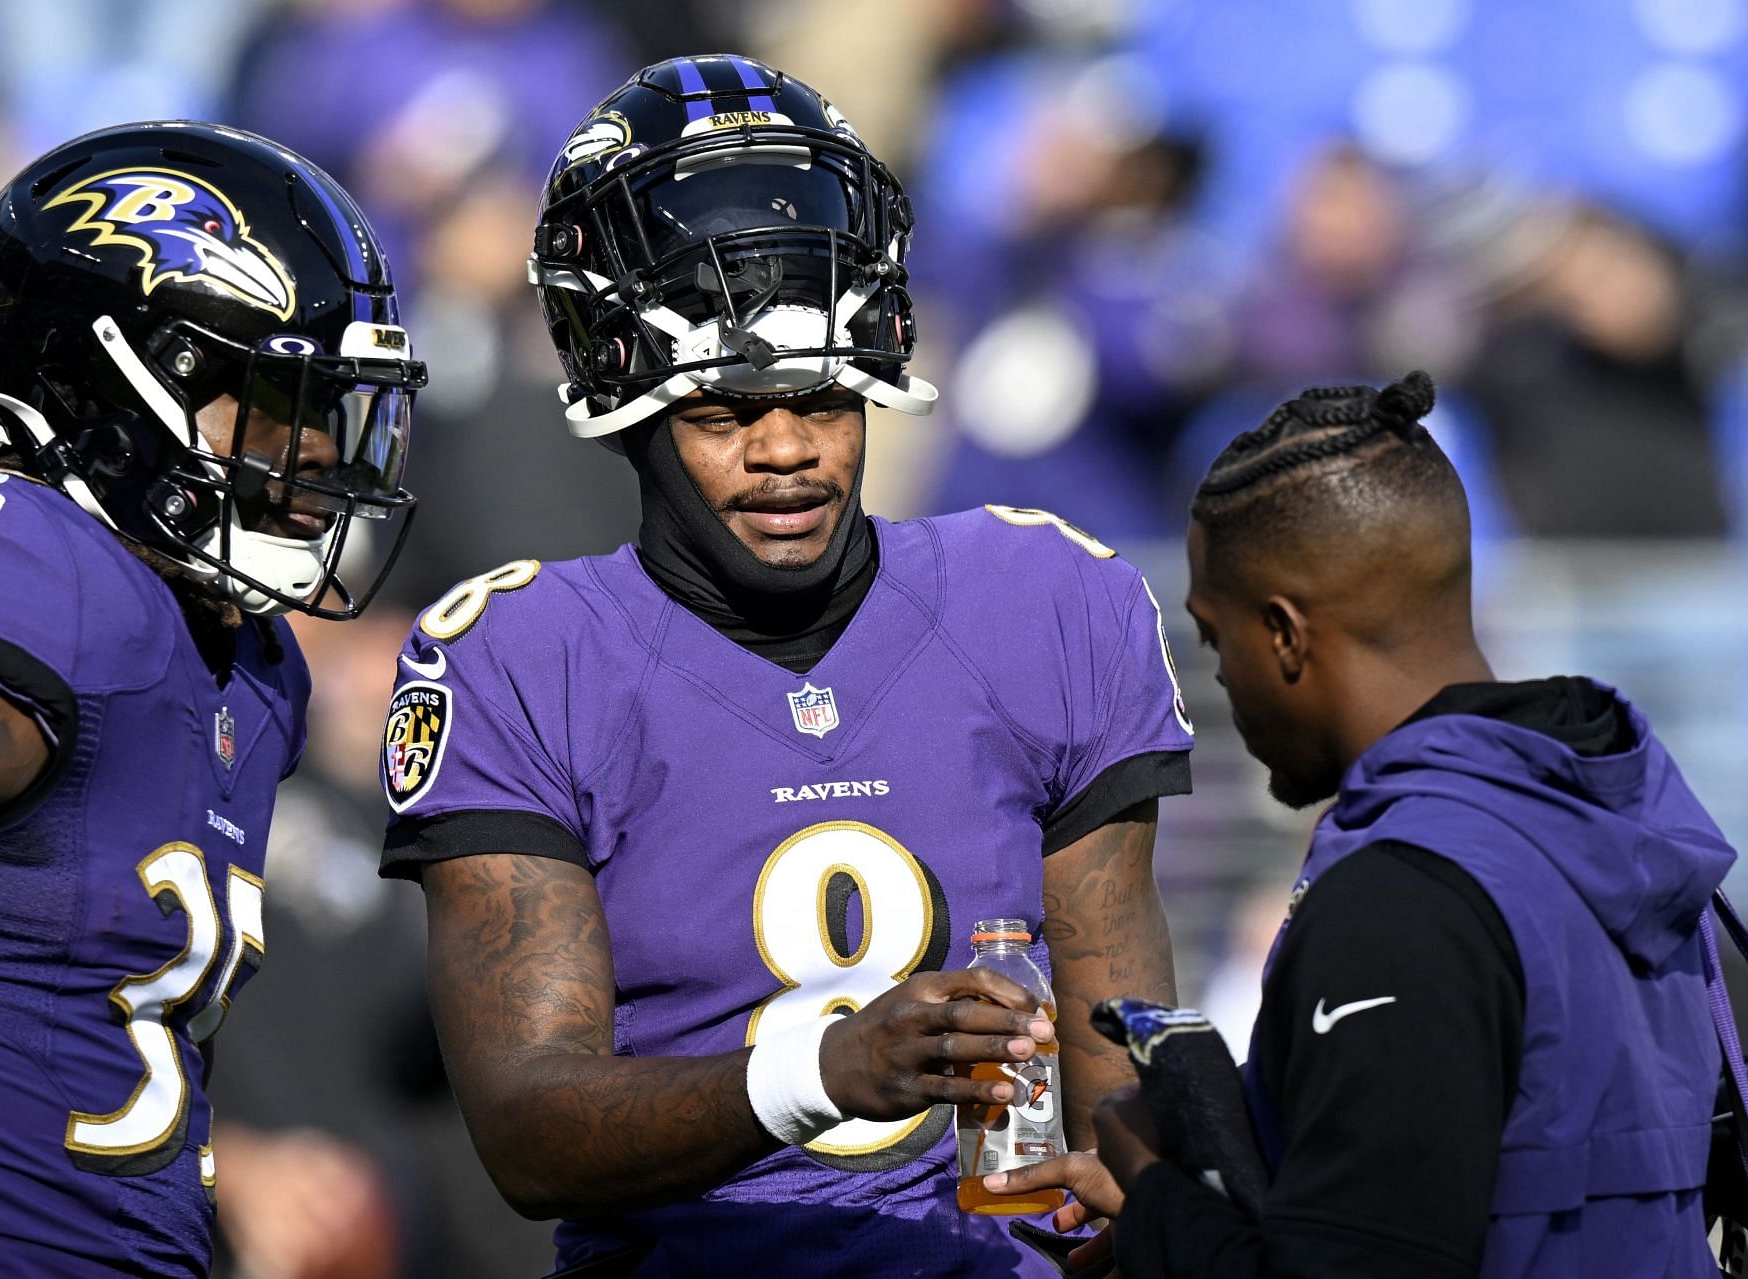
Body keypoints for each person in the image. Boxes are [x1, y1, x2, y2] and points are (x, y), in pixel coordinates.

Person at [379, 54, 1196, 1277]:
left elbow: (1115, 1064)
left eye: (825, 398)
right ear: (626, 396)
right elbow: (528, 1129)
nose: (787, 452)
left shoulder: (1049, 600)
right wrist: (820, 1073)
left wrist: (1165, 1207)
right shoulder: (518, 656)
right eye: (724, 410)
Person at [989, 371, 1734, 1277]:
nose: (1218, 679)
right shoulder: (1616, 816)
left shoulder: (1398, 902)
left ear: (1286, 634)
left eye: (1217, 640)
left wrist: (1153, 1189)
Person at [0, 121, 425, 1275]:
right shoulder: (38, 572)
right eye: (283, 398)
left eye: (336, 406)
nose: (322, 448)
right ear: (122, 385)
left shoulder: (254, 662)